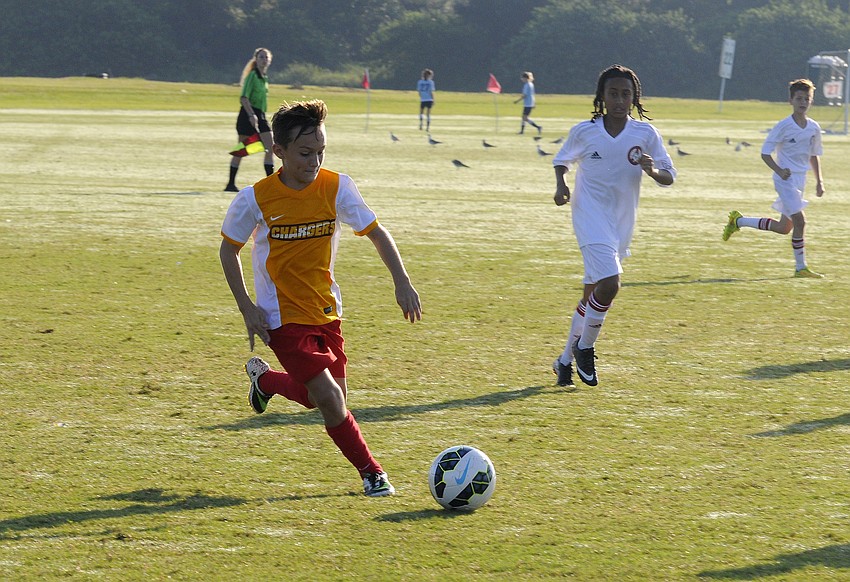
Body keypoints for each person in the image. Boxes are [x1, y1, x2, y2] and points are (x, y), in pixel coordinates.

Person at [219, 99, 422, 497]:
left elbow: (378, 233)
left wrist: (402, 281)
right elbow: (229, 250)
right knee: (330, 399)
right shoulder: (255, 199)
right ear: (278, 152)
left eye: (321, 151)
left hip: (326, 310)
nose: (314, 161)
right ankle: (372, 473)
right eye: (305, 153)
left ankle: (268, 381)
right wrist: (248, 308)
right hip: (281, 317)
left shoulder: (336, 187)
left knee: (326, 400)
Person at [551, 64, 676, 388]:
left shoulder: (645, 135)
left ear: (634, 98)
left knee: (592, 293)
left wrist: (652, 171)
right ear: (602, 97)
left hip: (621, 222)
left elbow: (669, 176)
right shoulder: (585, 130)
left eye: (626, 94)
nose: (619, 100)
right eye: (613, 94)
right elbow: (562, 160)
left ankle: (564, 362)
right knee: (611, 283)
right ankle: (585, 348)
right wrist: (561, 185)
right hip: (589, 214)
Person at [722, 78, 825, 278]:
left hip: (800, 180)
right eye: (799, 98)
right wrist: (779, 171)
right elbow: (765, 153)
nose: (803, 102)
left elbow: (814, 155)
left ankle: (738, 221)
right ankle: (800, 268)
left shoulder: (813, 128)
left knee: (784, 227)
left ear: (811, 101)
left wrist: (820, 181)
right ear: (791, 101)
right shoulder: (783, 126)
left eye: (807, 98)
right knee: (800, 221)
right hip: (784, 180)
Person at [224, 47, 275, 192]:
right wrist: (251, 115)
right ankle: (231, 184)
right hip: (248, 115)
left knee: (269, 147)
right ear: (256, 59)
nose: (264, 60)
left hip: (260, 114)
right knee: (242, 150)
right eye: (261, 57)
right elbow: (244, 97)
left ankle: (270, 184)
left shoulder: (264, 78)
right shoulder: (252, 75)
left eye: (266, 57)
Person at [514, 72, 542, 136]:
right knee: (524, 117)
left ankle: (538, 127)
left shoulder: (527, 85)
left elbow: (525, 95)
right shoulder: (531, 84)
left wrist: (517, 101)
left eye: (523, 78)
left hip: (527, 104)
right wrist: (534, 103)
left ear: (525, 78)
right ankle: (522, 131)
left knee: (525, 118)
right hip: (529, 103)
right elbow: (533, 95)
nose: (522, 79)